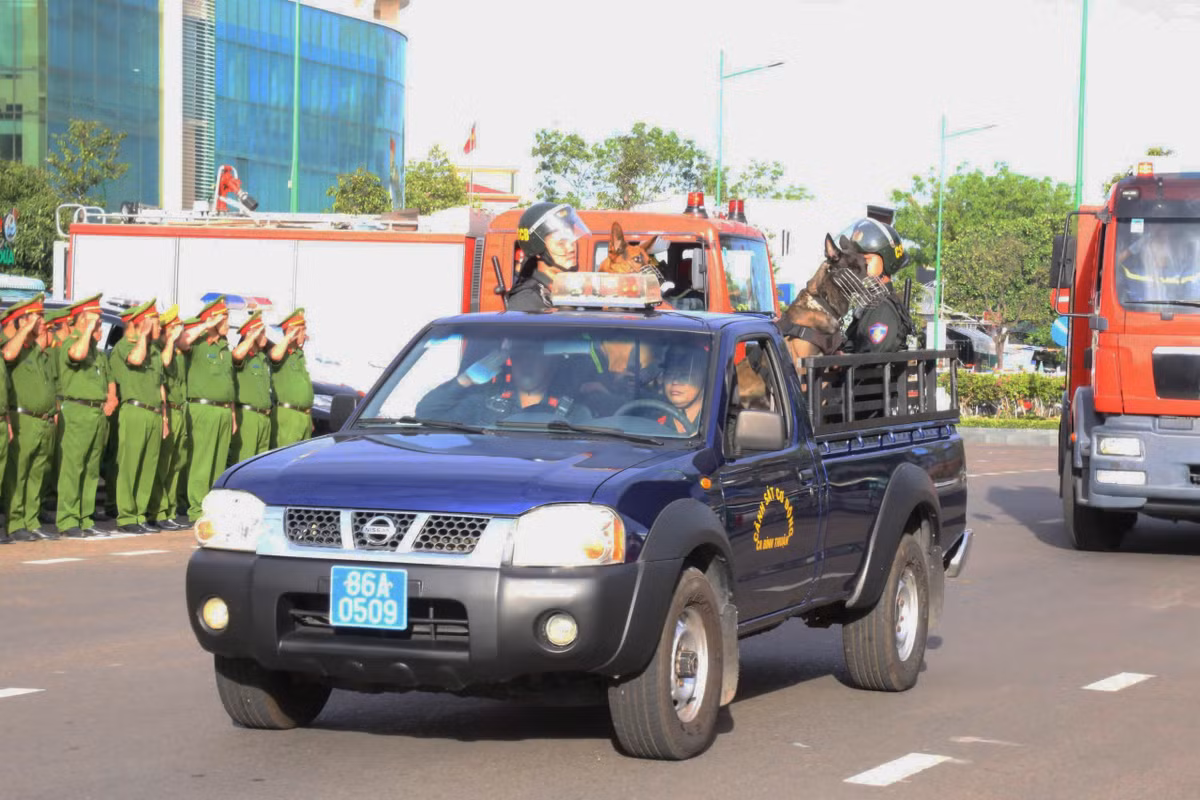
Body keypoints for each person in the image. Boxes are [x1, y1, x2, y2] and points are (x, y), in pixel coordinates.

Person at [55, 294, 116, 538]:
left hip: (96, 413)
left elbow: (109, 379)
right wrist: (88, 327)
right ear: (82, 320)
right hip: (76, 410)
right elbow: (76, 356)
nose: (100, 326)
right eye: (96, 320)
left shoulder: (98, 353)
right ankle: (68, 519)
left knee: (91, 467)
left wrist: (110, 398)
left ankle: (84, 517)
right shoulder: (72, 344)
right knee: (73, 467)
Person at [416, 339, 588, 425]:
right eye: (520, 357)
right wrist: (465, 380)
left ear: (552, 365)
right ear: (510, 363)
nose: (527, 364)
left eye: (536, 357)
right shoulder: (483, 405)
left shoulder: (575, 414)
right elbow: (426, 414)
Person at [1, 294, 57, 541]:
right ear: (22, 321)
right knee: (18, 473)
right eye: (38, 317)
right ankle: (15, 522)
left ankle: (30, 520)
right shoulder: (11, 344)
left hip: (42, 419)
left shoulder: (35, 349)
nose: (42, 322)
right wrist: (24, 329)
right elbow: (9, 355)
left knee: (36, 473)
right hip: (23, 417)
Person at [109, 299, 167, 534]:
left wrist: (164, 418)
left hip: (153, 411)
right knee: (130, 465)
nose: (159, 326)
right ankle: (126, 517)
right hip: (134, 409)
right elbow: (134, 360)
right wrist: (143, 335)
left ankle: (141, 514)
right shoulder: (126, 346)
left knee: (147, 467)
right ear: (141, 323)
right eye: (154, 321)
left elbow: (160, 385)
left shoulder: (154, 349)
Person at [182, 296, 236, 523]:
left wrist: (232, 414)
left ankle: (213, 507)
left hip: (223, 410)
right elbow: (182, 342)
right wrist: (205, 325)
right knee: (202, 462)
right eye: (224, 319)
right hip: (203, 408)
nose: (228, 324)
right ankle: (196, 508)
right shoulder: (198, 343)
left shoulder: (225, 347)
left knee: (217, 463)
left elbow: (229, 383)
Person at [837, 218, 917, 353]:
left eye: (866, 260)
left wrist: (840, 361)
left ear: (887, 262)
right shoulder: (869, 304)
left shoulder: (882, 308)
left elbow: (872, 359)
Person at [147, 304, 189, 530]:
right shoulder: (160, 349)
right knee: (163, 464)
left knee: (176, 463)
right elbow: (164, 363)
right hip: (168, 410)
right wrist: (171, 340)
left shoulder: (179, 353)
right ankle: (158, 510)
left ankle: (169, 510)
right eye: (175, 329)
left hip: (180, 410)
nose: (180, 334)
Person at [506, 202, 591, 311]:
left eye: (572, 240)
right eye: (561, 243)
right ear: (537, 248)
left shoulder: (574, 290)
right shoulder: (526, 301)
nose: (571, 248)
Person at [269, 308, 313, 448]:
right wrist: (288, 337)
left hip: (304, 417)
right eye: (302, 329)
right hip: (288, 415)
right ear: (292, 331)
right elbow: (274, 355)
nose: (305, 334)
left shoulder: (299, 355)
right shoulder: (281, 352)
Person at [231, 310, 272, 463]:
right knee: (244, 461)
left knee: (260, 464)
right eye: (262, 333)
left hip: (264, 417)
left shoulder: (262, 357)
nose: (265, 337)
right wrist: (251, 336)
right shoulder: (243, 356)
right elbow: (236, 355)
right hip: (248, 416)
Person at [658, 346, 706, 434]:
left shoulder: (717, 424)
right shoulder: (651, 417)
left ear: (705, 379)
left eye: (685, 375)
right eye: (670, 373)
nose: (675, 381)